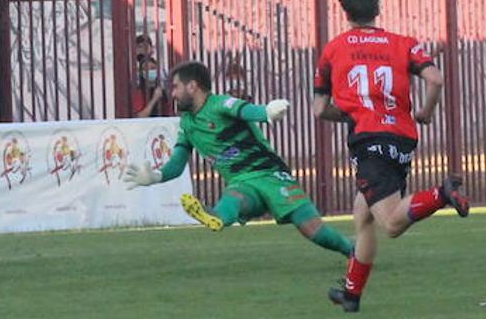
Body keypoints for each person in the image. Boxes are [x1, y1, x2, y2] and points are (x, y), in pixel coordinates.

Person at [312, 0, 469, 312]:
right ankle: (351, 294)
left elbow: (319, 108)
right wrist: (425, 111)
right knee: (363, 214)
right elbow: (435, 79)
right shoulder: (403, 43)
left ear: (344, 11)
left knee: (392, 224)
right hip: (401, 136)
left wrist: (354, 112)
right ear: (377, 7)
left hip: (369, 139)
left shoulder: (334, 49)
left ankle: (443, 193)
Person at [122, 61, 354, 259]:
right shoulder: (187, 123)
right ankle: (215, 216)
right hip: (241, 182)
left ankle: (353, 251)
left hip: (270, 175)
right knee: (234, 196)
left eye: (175, 87)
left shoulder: (220, 103)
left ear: (192, 86)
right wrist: (156, 176)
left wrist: (266, 112)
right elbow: (177, 162)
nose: (171, 94)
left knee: (312, 229)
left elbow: (245, 110)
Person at [131, 33, 168, 118]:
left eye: (153, 68)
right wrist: (155, 98)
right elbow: (140, 117)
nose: (142, 50)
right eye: (139, 47)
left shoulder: (161, 83)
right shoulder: (139, 86)